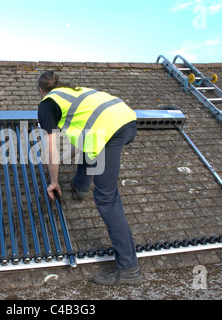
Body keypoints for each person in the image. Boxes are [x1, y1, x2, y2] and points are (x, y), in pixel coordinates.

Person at [37, 71, 143, 286]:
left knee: (106, 198)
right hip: (128, 120)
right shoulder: (76, 93)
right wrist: (64, 161)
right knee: (90, 143)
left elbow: (51, 151)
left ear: (41, 91)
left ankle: (128, 269)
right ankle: (80, 186)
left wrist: (54, 181)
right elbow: (86, 139)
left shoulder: (47, 104)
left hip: (111, 130)